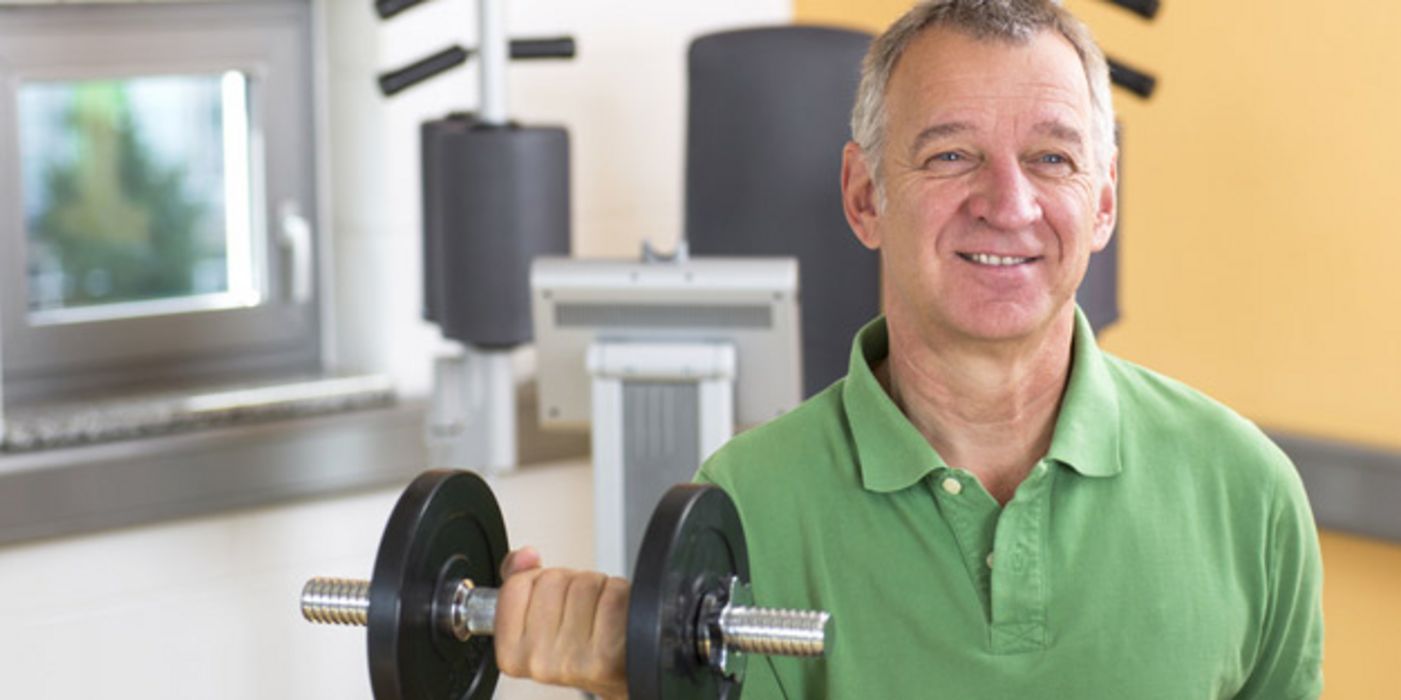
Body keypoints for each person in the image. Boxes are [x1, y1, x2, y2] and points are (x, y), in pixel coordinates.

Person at [493, 1, 1325, 698]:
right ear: (864, 197)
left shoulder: (1246, 493)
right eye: (951, 155)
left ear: (1102, 203)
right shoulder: (743, 507)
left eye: (1051, 158)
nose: (1008, 203)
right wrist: (626, 681)